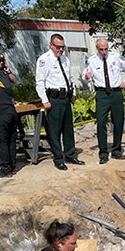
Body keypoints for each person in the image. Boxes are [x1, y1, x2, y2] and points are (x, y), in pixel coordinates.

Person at [35, 33, 83, 170]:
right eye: (58, 47)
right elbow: (39, 82)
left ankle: (70, 155)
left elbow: (70, 78)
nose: (60, 50)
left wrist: (73, 93)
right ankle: (58, 158)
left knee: (68, 129)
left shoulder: (65, 59)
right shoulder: (44, 60)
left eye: (62, 47)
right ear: (51, 45)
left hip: (65, 98)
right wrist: (45, 100)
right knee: (55, 131)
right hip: (53, 99)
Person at [83, 38, 125, 164]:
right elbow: (84, 77)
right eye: (101, 49)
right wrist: (86, 77)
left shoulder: (116, 57)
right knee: (101, 123)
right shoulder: (92, 61)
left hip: (116, 93)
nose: (104, 52)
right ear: (97, 49)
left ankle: (116, 150)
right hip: (101, 94)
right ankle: (103, 153)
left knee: (118, 121)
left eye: (106, 49)